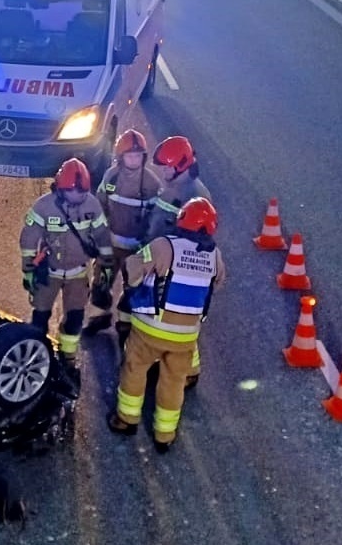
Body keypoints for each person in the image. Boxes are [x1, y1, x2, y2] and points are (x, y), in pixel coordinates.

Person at [108, 197, 226, 453]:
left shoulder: (164, 246)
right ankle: (165, 434)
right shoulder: (215, 256)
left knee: (135, 368)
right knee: (173, 381)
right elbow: (217, 282)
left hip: (150, 329)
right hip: (185, 337)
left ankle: (127, 419)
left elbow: (132, 267)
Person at [19, 158, 113, 372]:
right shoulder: (44, 207)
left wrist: (107, 263)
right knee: (40, 315)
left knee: (75, 317)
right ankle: (36, 353)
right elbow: (29, 239)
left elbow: (102, 236)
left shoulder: (92, 204)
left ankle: (68, 355)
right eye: (75, 194)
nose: (79, 198)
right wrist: (28, 269)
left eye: (83, 193)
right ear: (62, 189)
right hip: (48, 273)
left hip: (78, 274)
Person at [81, 129, 161, 340]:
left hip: (136, 249)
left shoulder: (151, 184)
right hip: (110, 245)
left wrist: (148, 244)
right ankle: (100, 317)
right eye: (129, 155)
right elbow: (100, 206)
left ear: (143, 157)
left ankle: (125, 326)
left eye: (137, 155)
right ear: (120, 156)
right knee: (101, 282)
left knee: (133, 286)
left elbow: (156, 218)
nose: (134, 159)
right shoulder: (112, 177)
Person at [143, 136, 213, 242]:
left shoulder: (197, 197)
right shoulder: (174, 184)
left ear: (181, 165)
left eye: (166, 167)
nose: (163, 171)